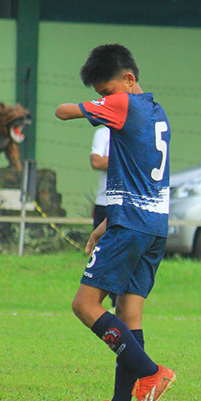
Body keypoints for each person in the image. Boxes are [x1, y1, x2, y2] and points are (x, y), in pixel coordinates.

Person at [55, 44, 176, 401]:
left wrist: (93, 106)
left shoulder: (123, 105)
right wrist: (105, 224)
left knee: (85, 305)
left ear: (129, 79)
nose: (104, 101)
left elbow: (62, 112)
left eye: (105, 92)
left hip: (132, 228)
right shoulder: (157, 111)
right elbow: (142, 177)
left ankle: (152, 373)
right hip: (153, 226)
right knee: (128, 313)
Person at [90, 126, 117, 309]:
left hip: (125, 205)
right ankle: (97, 302)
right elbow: (96, 162)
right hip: (104, 203)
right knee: (101, 255)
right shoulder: (104, 133)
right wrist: (123, 160)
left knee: (120, 255)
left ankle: (117, 302)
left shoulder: (135, 129)